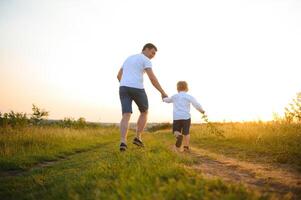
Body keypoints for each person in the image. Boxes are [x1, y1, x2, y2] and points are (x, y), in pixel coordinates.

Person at [117, 43, 168, 151]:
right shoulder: (146, 60)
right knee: (144, 112)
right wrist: (162, 92)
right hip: (137, 88)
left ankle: (123, 141)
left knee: (126, 114)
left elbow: (118, 75)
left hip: (123, 88)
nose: (153, 55)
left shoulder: (129, 58)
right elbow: (152, 78)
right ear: (146, 49)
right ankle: (138, 137)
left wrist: (125, 84)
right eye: (152, 52)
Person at [162, 81, 205, 152]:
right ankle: (186, 147)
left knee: (176, 131)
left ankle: (179, 136)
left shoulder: (175, 96)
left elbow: (168, 100)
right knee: (186, 133)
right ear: (187, 88)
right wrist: (201, 111)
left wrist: (163, 98)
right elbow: (196, 104)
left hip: (177, 117)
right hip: (186, 117)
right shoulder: (189, 96)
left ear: (177, 88)